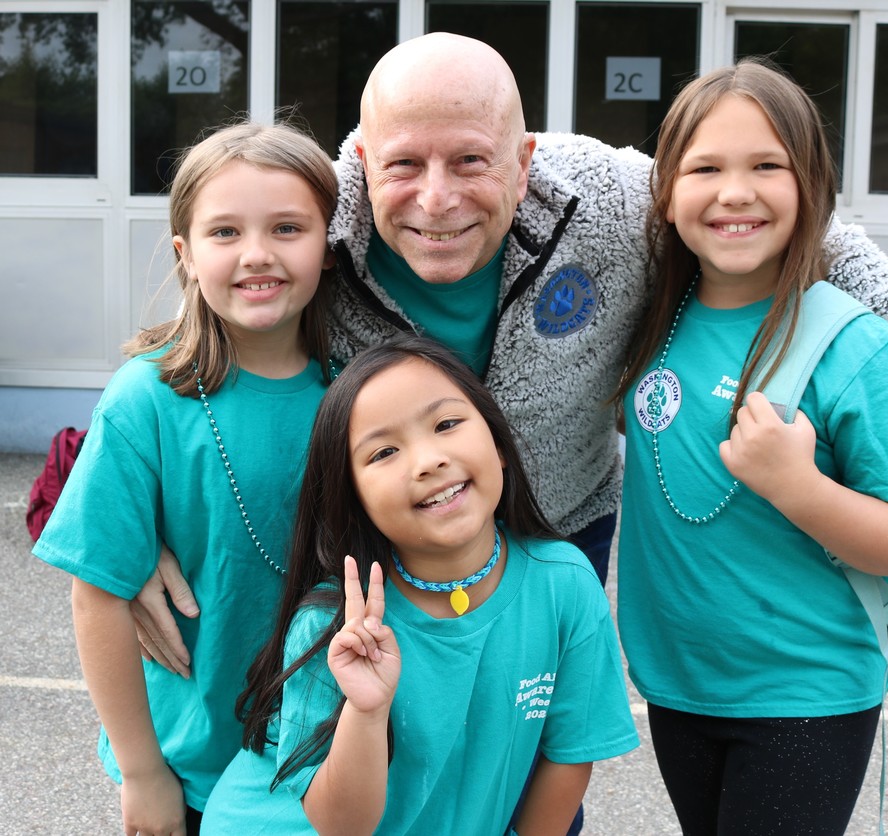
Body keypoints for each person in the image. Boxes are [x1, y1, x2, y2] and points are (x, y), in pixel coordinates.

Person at [138, 32, 888, 664]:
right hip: (387, 544)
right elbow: (198, 338)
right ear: (359, 157)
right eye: (403, 165)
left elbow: (801, 227)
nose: (436, 198)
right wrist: (119, 527)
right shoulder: (313, 215)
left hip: (560, 535)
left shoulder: (608, 192)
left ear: (525, 159)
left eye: (470, 160)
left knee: (539, 764)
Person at [614, 60, 888, 835]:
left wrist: (797, 486)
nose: (736, 192)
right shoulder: (657, 322)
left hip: (804, 693)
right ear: (666, 194)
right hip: (678, 684)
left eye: (768, 165)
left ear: (813, 190)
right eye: (706, 168)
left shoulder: (858, 349)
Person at [31, 121, 339, 835]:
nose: (256, 254)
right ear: (186, 255)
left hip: (327, 762)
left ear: (328, 246)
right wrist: (142, 772)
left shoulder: (363, 391)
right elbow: (97, 596)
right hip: (191, 766)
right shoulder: (146, 398)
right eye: (225, 232)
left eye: (288, 228)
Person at [200, 334, 639, 835]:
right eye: (384, 451)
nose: (428, 460)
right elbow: (341, 827)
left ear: (497, 446)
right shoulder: (336, 625)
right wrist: (366, 712)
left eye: (447, 424)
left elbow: (569, 755)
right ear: (355, 498)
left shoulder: (566, 586)